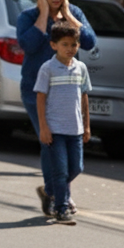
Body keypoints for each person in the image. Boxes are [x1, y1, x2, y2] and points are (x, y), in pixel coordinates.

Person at [16, 0, 96, 216]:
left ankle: (53, 192)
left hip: (68, 91)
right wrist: (43, 15)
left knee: (66, 150)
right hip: (36, 90)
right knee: (50, 142)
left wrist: (69, 16)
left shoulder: (73, 15)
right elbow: (28, 44)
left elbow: (90, 42)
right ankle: (62, 197)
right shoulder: (28, 16)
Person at [34, 22, 92, 226]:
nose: (70, 49)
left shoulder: (81, 68)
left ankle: (48, 191)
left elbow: (84, 97)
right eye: (65, 44)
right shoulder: (47, 69)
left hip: (74, 129)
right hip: (55, 130)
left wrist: (86, 126)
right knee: (60, 171)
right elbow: (40, 98)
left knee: (76, 168)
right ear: (53, 45)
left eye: (74, 44)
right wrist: (43, 127)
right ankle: (61, 209)